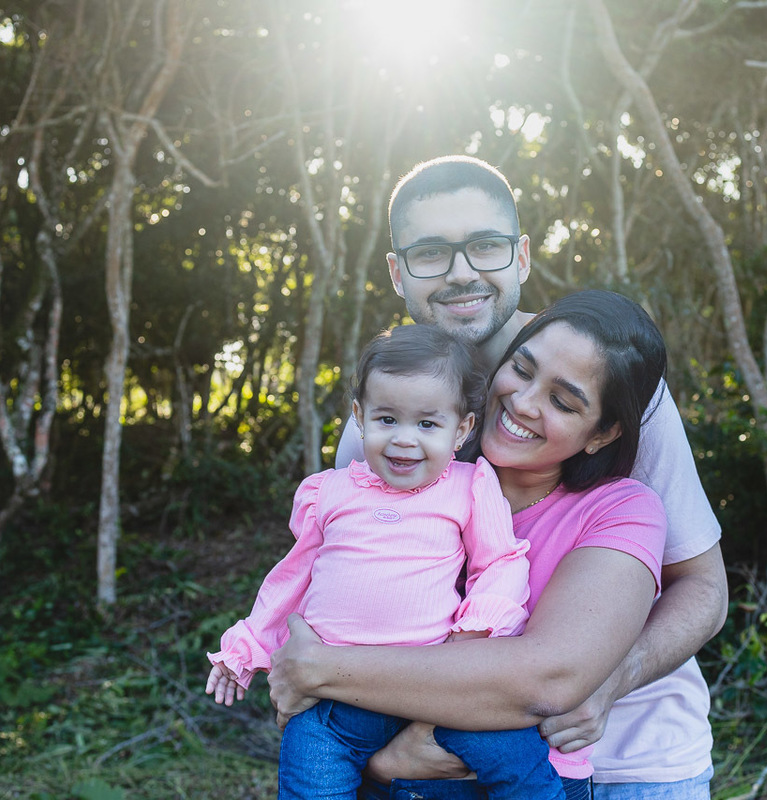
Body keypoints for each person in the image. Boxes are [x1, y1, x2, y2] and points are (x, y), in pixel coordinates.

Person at [332, 155, 728, 798]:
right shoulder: (384, 428)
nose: (462, 273)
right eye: (431, 252)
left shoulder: (619, 392)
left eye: (484, 246)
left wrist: (603, 683)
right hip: (452, 767)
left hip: (630, 764)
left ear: (519, 256)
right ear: (397, 271)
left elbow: (704, 587)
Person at [261, 290, 672, 800]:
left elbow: (548, 680)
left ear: (603, 433)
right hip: (367, 767)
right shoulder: (406, 476)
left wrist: (318, 670)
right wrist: (390, 761)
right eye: (521, 369)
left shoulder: (621, 510)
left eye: (562, 401)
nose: (522, 402)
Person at [205, 324, 566, 800]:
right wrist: (246, 647)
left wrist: (476, 629)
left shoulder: (468, 485)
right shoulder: (329, 491)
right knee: (309, 766)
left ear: (462, 429)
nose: (403, 440)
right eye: (387, 419)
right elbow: (292, 580)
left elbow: (499, 561)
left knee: (518, 762)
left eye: (427, 424)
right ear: (359, 417)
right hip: (336, 699)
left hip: (436, 687)